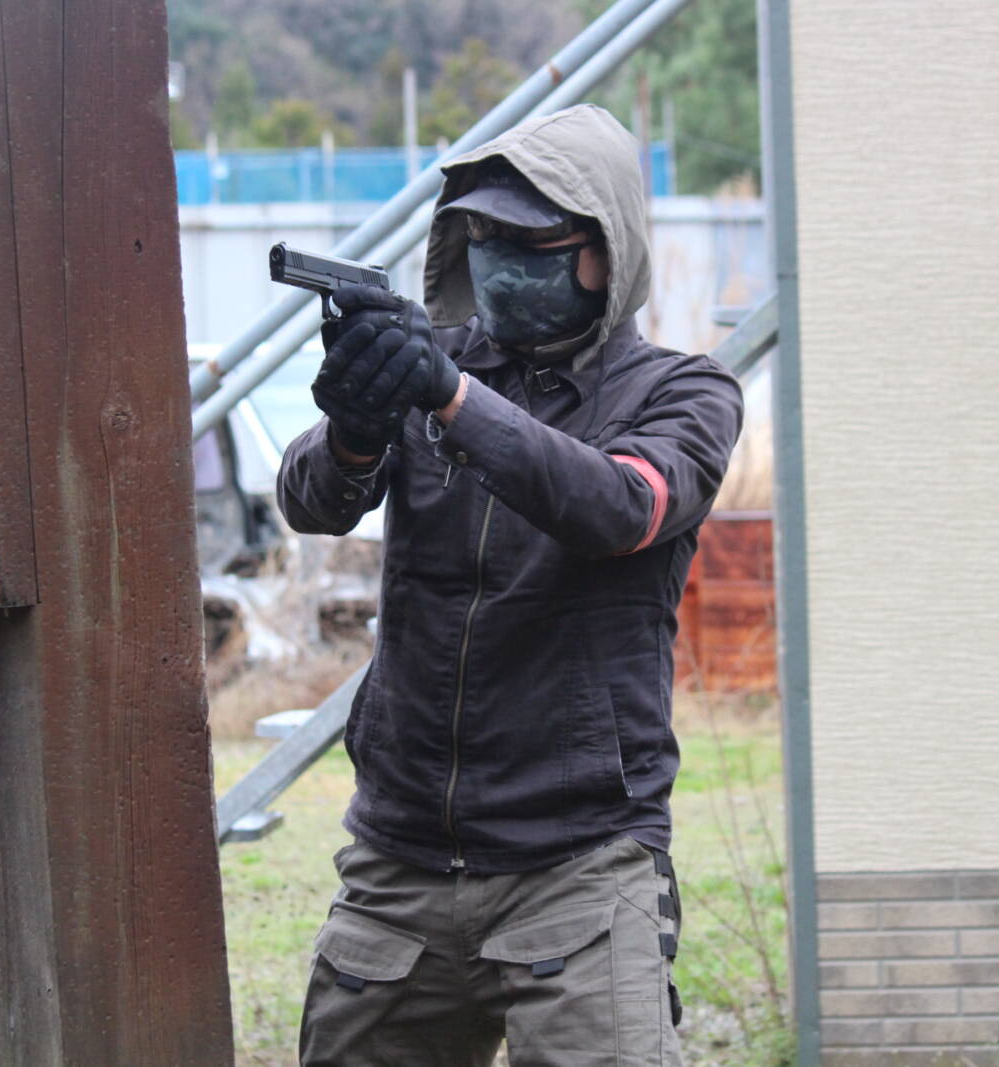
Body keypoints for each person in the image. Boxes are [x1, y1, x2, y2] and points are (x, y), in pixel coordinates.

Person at [277, 104, 744, 1067]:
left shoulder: (683, 394)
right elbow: (310, 502)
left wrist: (453, 400)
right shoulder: (436, 362)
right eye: (485, 241)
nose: (501, 265)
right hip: (401, 856)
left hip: (582, 861)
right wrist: (356, 427)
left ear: (606, 253)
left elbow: (619, 507)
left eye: (533, 245)